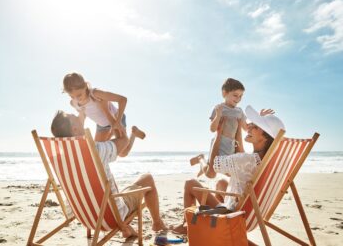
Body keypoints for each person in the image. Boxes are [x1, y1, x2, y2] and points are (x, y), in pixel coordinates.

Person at [51, 110, 167, 238]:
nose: (77, 116)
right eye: (74, 117)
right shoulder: (94, 149)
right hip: (110, 217)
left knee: (107, 184)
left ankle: (126, 229)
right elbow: (124, 141)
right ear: (75, 129)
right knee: (147, 178)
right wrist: (114, 121)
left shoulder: (60, 158)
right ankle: (157, 224)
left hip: (84, 216)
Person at [172, 105, 285, 234]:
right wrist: (260, 122)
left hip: (234, 215)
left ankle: (186, 226)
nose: (249, 127)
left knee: (190, 183)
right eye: (251, 124)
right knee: (221, 183)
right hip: (253, 212)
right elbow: (244, 153)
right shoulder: (267, 160)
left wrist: (218, 135)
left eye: (255, 126)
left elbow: (214, 165)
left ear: (265, 137)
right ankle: (217, 228)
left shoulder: (246, 160)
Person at [62, 72, 145, 157]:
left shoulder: (95, 94)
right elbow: (83, 116)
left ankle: (133, 134)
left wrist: (118, 121)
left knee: (122, 153)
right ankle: (133, 134)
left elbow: (123, 100)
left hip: (115, 119)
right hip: (102, 126)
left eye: (79, 95)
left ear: (85, 86)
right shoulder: (74, 103)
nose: (77, 99)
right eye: (72, 96)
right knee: (97, 153)